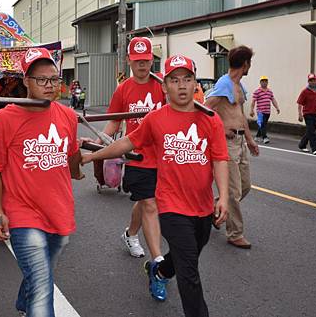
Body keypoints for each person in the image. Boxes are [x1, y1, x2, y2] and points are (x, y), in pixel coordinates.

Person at [82, 54, 230, 316]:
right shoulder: (157, 119)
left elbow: (219, 159)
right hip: (171, 206)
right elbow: (127, 143)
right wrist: (93, 155)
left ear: (196, 83)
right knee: (189, 271)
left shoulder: (210, 120)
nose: (182, 86)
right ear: (164, 86)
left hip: (203, 206)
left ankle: (159, 271)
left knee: (190, 253)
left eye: (187, 79)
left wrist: (224, 197)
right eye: (174, 80)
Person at [0, 48, 83, 317]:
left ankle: (22, 304)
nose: (49, 86)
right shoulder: (4, 119)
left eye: (53, 79)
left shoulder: (68, 116)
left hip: (59, 211)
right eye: (41, 80)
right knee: (41, 285)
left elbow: (71, 158)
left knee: (42, 269)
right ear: (26, 80)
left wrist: (80, 163)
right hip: (22, 212)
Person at [101, 37, 165, 265]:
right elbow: (113, 123)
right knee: (150, 203)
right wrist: (102, 144)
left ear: (152, 60)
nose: (142, 65)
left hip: (164, 156)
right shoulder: (123, 90)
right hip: (137, 156)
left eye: (146, 60)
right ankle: (157, 259)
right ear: (129, 60)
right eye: (137, 61)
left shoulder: (162, 85)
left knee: (147, 200)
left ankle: (130, 234)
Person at [205, 46, 259, 250]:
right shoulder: (224, 84)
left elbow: (241, 115)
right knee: (234, 192)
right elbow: (205, 109)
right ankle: (235, 233)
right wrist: (219, 130)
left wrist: (250, 140)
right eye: (249, 63)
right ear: (245, 64)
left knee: (245, 187)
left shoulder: (239, 86)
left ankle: (216, 207)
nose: (249, 67)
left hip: (240, 142)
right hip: (226, 145)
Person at [297, 73, 316, 155]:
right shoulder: (305, 91)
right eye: (311, 80)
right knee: (312, 131)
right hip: (307, 113)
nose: (313, 82)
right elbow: (299, 103)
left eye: (314, 80)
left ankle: (302, 145)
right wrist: (300, 114)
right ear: (308, 81)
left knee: (311, 130)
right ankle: (315, 148)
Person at [249, 76, 280, 144]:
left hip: (267, 111)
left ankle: (257, 137)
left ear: (267, 82)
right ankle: (264, 137)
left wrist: (277, 107)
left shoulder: (269, 91)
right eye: (263, 81)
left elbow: (273, 100)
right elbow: (253, 101)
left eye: (265, 81)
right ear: (260, 82)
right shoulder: (257, 91)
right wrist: (251, 110)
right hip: (260, 111)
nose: (264, 83)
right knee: (263, 124)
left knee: (263, 124)